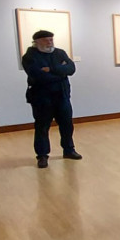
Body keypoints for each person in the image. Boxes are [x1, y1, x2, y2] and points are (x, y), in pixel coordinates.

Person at [22, 30, 81, 168]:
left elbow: (71, 68)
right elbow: (38, 75)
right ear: (37, 42)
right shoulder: (30, 56)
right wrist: (60, 72)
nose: (49, 42)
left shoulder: (59, 52)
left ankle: (69, 150)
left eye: (51, 39)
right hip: (41, 97)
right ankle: (42, 155)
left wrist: (52, 69)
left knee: (67, 124)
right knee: (42, 127)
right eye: (46, 40)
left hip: (62, 95)